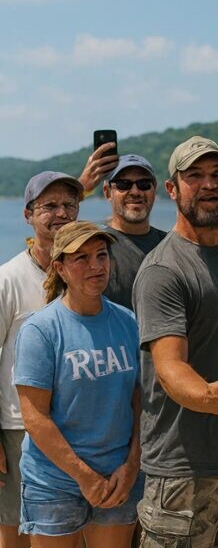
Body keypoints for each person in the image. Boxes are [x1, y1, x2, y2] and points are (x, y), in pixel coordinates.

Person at [132, 136, 218, 547]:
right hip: (180, 472)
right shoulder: (162, 270)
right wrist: (214, 398)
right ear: (172, 189)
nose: (208, 184)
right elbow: (170, 368)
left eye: (216, 175)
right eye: (194, 176)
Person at [14, 221, 142, 547]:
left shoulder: (128, 322)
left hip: (118, 477)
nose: (96, 266)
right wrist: (84, 477)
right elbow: (35, 418)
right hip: (54, 481)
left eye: (102, 255)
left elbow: (140, 402)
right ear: (61, 267)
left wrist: (131, 466)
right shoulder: (40, 330)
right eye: (81, 258)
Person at [0, 171, 83, 548]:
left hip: (79, 428)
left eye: (69, 205)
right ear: (28, 215)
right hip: (19, 428)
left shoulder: (87, 272)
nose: (61, 213)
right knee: (16, 533)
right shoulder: (9, 279)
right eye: (49, 206)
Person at [102, 155, 167, 310]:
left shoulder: (171, 245)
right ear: (107, 192)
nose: (135, 192)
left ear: (154, 189)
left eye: (144, 184)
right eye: (124, 184)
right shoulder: (97, 248)